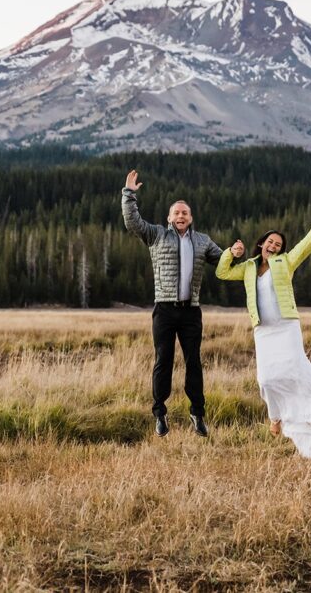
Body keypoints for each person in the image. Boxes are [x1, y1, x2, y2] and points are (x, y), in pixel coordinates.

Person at [216, 211, 311, 458]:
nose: (273, 246)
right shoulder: (248, 268)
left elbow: (306, 245)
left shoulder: (285, 262)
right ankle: (275, 417)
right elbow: (222, 273)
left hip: (286, 327)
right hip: (263, 331)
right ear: (261, 244)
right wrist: (230, 254)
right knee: (266, 379)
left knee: (296, 371)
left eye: (278, 244)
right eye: (270, 242)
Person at [122, 169, 223, 438]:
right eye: (176, 213)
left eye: (185, 213)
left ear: (191, 218)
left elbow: (223, 262)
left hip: (191, 311)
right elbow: (133, 223)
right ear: (169, 218)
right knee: (163, 360)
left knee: (194, 362)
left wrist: (236, 254)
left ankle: (197, 413)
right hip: (164, 311)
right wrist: (129, 194)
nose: (181, 216)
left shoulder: (203, 241)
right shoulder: (156, 235)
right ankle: (160, 413)